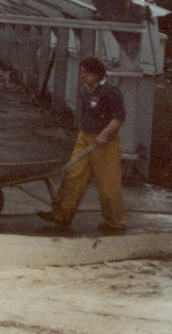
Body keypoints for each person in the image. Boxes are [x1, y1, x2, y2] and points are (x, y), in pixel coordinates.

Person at [37, 56, 127, 235]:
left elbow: (119, 117)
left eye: (86, 72)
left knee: (108, 185)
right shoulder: (85, 92)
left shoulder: (111, 91)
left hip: (105, 142)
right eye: (81, 72)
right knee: (73, 175)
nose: (82, 75)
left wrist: (103, 134)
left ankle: (115, 222)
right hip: (85, 138)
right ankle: (61, 215)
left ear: (96, 73)